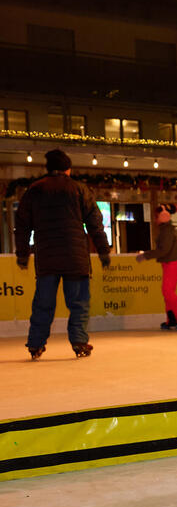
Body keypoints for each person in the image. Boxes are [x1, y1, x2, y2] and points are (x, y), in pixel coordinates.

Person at [15, 148, 111, 359]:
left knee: (43, 303)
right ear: (68, 169)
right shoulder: (78, 189)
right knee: (78, 303)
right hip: (75, 257)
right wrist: (103, 250)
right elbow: (95, 223)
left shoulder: (34, 190)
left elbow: (21, 225)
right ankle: (79, 341)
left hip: (47, 257)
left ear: (49, 169)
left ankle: (35, 344)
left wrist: (22, 254)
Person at [136, 203, 177, 330]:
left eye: (156, 216)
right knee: (167, 291)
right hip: (170, 262)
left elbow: (164, 250)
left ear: (163, 216)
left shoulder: (167, 230)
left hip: (173, 262)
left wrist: (145, 255)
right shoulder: (166, 229)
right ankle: (172, 319)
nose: (155, 219)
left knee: (167, 291)